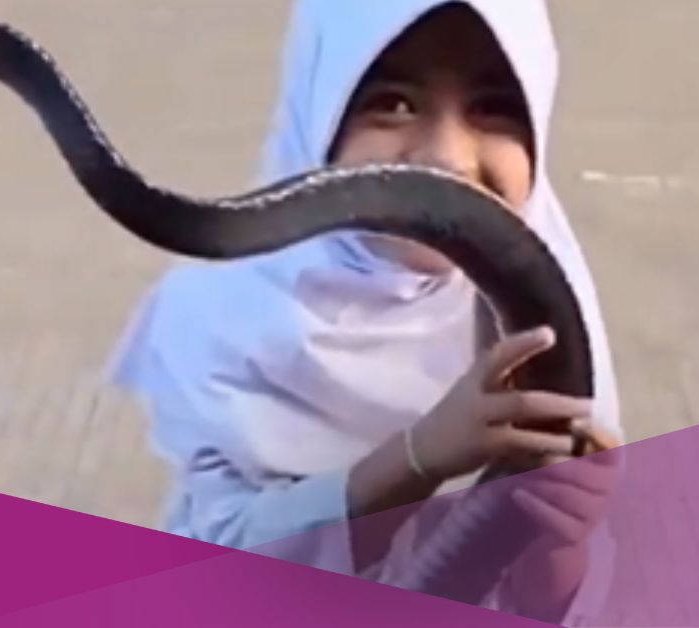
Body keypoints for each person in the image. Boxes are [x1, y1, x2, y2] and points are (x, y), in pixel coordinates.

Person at [108, 0, 625, 624]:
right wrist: (417, 457)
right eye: (393, 103)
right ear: (317, 109)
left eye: (493, 108)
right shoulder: (220, 313)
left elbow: (558, 597)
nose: (446, 160)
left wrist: (558, 543)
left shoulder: (545, 313)